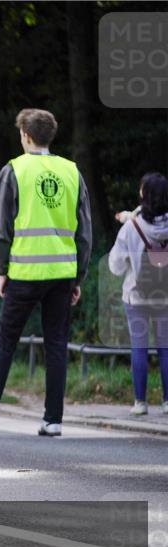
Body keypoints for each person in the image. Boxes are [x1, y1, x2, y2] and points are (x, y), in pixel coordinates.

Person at [0, 108, 92, 437]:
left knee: (5, 343)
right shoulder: (71, 171)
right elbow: (85, 231)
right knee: (56, 345)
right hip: (62, 274)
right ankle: (53, 421)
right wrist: (78, 276)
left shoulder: (14, 170)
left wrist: (1, 269)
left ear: (25, 135)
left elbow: (1, 227)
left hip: (24, 272)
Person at [109, 172, 168, 415]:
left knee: (139, 348)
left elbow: (115, 267)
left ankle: (140, 403)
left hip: (136, 296)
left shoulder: (131, 228)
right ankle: (167, 402)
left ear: (144, 195)